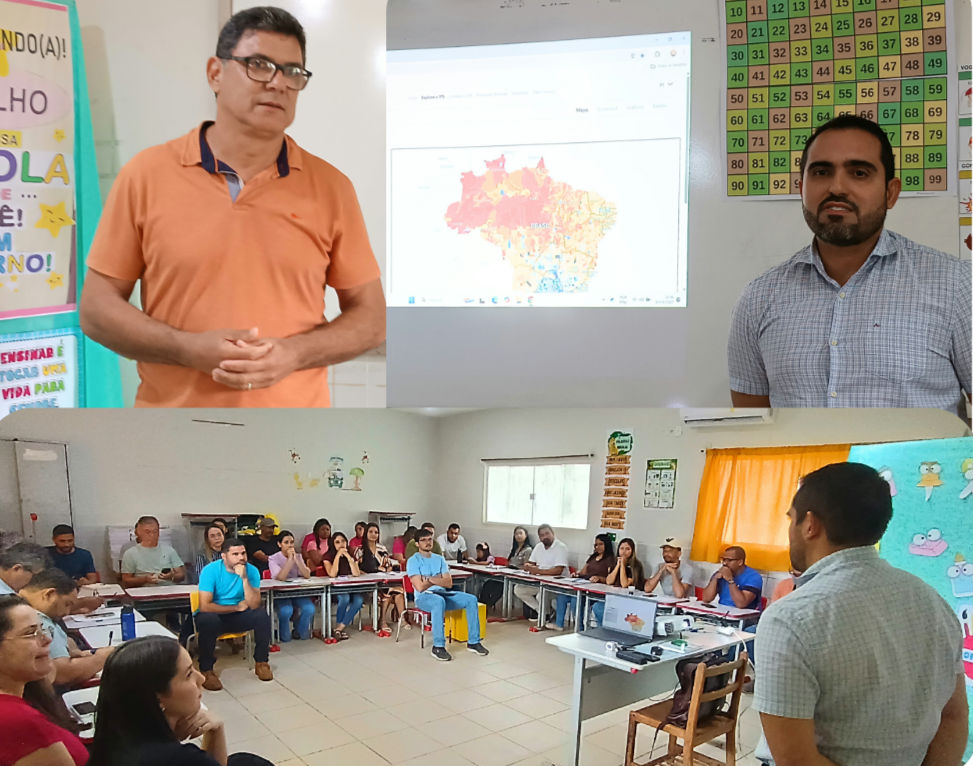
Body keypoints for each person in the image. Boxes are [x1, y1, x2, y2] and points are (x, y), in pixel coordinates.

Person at [79, 6, 385, 408]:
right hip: (170, 432)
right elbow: (97, 309)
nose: (278, 84)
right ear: (215, 73)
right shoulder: (146, 175)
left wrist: (294, 354)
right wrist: (186, 348)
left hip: (292, 438)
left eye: (293, 72)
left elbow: (372, 319)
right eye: (258, 65)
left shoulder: (331, 188)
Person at [728, 114, 971, 413]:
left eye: (858, 172)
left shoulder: (956, 286)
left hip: (916, 463)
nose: (837, 188)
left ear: (891, 192)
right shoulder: (758, 298)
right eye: (820, 172)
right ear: (800, 187)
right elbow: (751, 427)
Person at [756, 462, 967, 766]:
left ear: (810, 524)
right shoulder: (933, 602)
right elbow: (954, 715)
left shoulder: (790, 619)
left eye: (791, 519)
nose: (790, 530)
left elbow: (796, 760)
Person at [87, 635, 273, 766]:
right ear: (156, 697)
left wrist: (215, 730)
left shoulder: (114, 738)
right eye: (189, 674)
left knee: (243, 761)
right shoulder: (179, 759)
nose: (200, 679)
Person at [0, 595, 90, 766]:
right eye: (30, 633)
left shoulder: (26, 697)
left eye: (42, 630)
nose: (47, 640)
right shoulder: (16, 719)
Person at [195, 537, 273, 691]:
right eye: (235, 554)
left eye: (243, 553)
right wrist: (236, 608)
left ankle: (261, 663)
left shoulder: (251, 570)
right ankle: (206, 669)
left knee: (261, 615)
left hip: (239, 616)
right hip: (216, 614)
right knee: (207, 620)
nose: (241, 558)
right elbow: (205, 606)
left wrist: (244, 579)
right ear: (224, 556)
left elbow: (254, 604)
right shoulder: (210, 571)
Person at [19, 568, 113, 688]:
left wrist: (72, 649)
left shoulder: (15, 605)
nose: (67, 612)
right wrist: (102, 658)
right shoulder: (37, 621)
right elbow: (62, 673)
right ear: (49, 594)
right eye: (67, 604)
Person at [407, 528, 488, 661]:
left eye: (429, 539)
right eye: (423, 540)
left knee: (471, 599)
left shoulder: (439, 559)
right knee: (438, 602)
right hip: (424, 597)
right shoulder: (413, 561)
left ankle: (474, 642)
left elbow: (449, 583)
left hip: (443, 594)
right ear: (417, 544)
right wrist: (437, 579)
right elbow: (420, 587)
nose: (427, 543)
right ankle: (438, 646)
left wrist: (430, 579)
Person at [548, 534, 614, 631]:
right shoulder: (593, 557)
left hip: (596, 591)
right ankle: (559, 624)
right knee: (562, 596)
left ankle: (580, 628)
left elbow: (610, 579)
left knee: (576, 600)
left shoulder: (610, 560)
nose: (597, 547)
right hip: (584, 585)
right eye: (596, 545)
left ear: (607, 545)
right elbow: (583, 571)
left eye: (600, 544)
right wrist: (577, 574)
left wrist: (599, 578)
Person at [267, 531, 315, 642]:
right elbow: (281, 577)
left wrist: (297, 560)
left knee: (310, 608)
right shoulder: (273, 558)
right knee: (286, 610)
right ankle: (283, 634)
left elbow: (307, 575)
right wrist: (289, 560)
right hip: (280, 593)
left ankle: (299, 631)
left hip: (296, 591)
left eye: (292, 542)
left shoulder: (298, 556)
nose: (290, 545)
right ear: (280, 544)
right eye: (286, 542)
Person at [355, 523, 402, 637]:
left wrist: (387, 570)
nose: (373, 535)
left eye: (376, 532)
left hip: (383, 581)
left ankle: (401, 618)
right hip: (368, 584)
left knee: (399, 591)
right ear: (366, 533)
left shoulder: (382, 548)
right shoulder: (360, 550)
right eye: (371, 532)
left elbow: (388, 565)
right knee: (387, 594)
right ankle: (383, 621)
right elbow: (356, 568)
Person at [513, 524, 568, 618]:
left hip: (557, 584)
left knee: (540, 595)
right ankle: (543, 613)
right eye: (542, 535)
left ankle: (543, 616)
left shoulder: (561, 547)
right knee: (519, 589)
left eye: (547, 534)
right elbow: (531, 563)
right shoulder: (539, 547)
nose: (545, 537)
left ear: (553, 533)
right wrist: (528, 566)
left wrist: (538, 570)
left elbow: (558, 570)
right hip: (539, 582)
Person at [590, 537, 646, 625]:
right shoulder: (614, 562)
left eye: (627, 549)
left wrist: (623, 566)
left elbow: (624, 584)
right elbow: (609, 581)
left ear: (632, 551)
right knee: (597, 606)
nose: (624, 551)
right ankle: (602, 628)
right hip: (614, 597)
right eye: (621, 548)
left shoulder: (636, 566)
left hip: (629, 599)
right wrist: (618, 566)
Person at [120, 516, 186, 587]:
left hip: (168, 591)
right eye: (147, 532)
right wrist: (144, 579)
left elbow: (181, 575)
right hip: (143, 594)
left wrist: (171, 576)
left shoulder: (169, 550)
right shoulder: (130, 553)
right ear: (139, 533)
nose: (152, 535)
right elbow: (126, 581)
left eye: (155, 532)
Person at [323, 532, 362, 640]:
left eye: (343, 541)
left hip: (350, 587)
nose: (341, 544)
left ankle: (339, 628)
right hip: (335, 589)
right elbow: (332, 574)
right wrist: (338, 556)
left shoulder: (350, 553)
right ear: (332, 544)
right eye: (337, 542)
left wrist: (349, 558)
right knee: (344, 598)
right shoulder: (327, 556)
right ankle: (339, 627)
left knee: (359, 600)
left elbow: (356, 573)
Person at [700, 545, 763, 610]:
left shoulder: (754, 577)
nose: (725, 563)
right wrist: (715, 579)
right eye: (724, 560)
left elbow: (741, 604)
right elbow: (706, 599)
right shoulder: (721, 573)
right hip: (723, 613)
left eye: (729, 560)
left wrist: (730, 580)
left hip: (745, 616)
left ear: (740, 562)